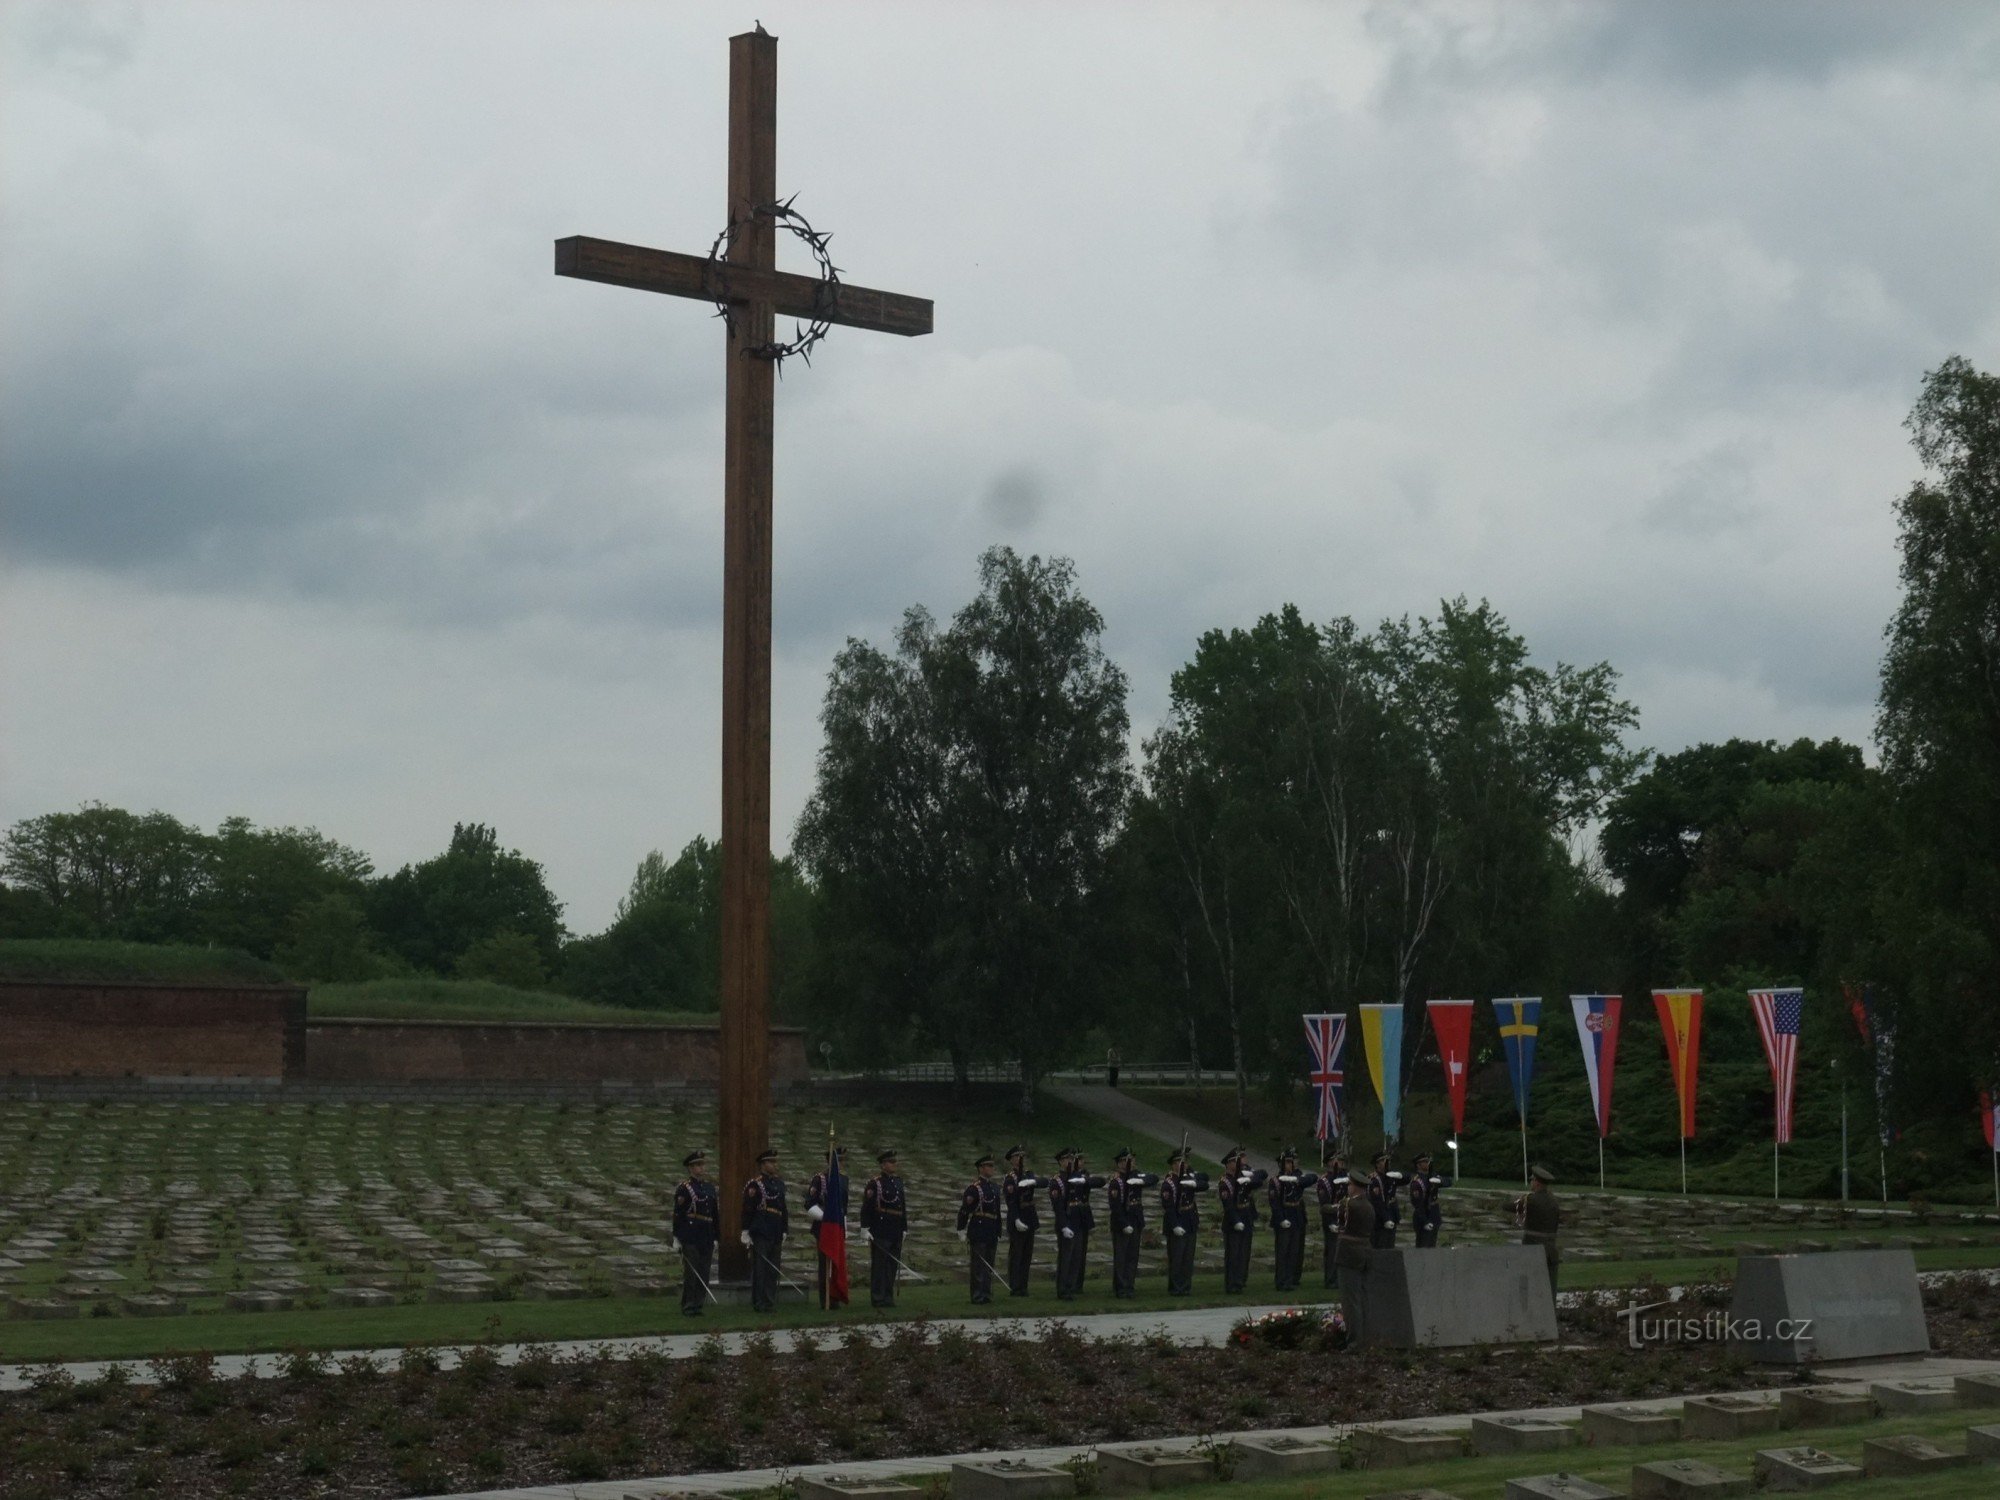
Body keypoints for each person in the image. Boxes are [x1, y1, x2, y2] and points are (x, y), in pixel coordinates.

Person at [1050, 1146, 1103, 1299]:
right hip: (1067, 1220)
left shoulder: (1078, 1177)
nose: (1070, 1162)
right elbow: (1058, 1206)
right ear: (1060, 1162)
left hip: (1079, 1221)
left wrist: (1084, 1180)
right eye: (1067, 1159)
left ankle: (1071, 1287)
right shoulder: (1058, 1181)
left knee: (1076, 1256)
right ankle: (1062, 1289)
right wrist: (1064, 1225)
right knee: (1066, 1257)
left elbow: (1100, 1181)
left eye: (1071, 1159)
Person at [670, 1148, 718, 1316]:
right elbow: (678, 1214)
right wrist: (677, 1237)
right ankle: (688, 1304)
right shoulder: (685, 1188)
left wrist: (716, 1236)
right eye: (697, 1165)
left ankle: (698, 1304)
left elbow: (714, 1214)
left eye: (702, 1164)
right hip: (690, 1234)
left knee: (704, 1271)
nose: (701, 1168)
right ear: (690, 1168)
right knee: (692, 1272)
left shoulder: (709, 1188)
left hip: (706, 1234)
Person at [741, 1147, 788, 1313]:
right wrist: (745, 1230)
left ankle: (769, 1301)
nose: (775, 1165)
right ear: (763, 1164)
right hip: (761, 1229)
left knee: (773, 1269)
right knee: (760, 1268)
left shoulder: (779, 1184)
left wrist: (784, 1229)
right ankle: (759, 1302)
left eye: (775, 1161)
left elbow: (783, 1208)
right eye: (771, 1162)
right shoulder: (755, 1184)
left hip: (775, 1229)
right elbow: (748, 1208)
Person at [1105, 1146, 1156, 1298]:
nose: (1131, 1163)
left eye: (1132, 1160)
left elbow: (1153, 1178)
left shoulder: (1135, 1175)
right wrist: (1123, 1223)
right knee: (1121, 1256)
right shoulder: (1117, 1181)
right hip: (1122, 1222)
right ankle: (1120, 1287)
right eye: (1127, 1161)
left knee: (1133, 1256)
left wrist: (1140, 1180)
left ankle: (1129, 1285)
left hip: (1136, 1220)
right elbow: (1115, 1205)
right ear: (1120, 1163)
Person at [859, 1148, 907, 1308]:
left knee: (892, 1265)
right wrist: (865, 1227)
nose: (894, 1164)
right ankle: (878, 1297)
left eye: (895, 1162)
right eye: (891, 1162)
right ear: (883, 1165)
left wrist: (904, 1227)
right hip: (881, 1228)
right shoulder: (875, 1183)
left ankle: (888, 1296)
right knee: (880, 1265)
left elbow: (902, 1207)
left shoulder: (898, 1182)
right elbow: (867, 1207)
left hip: (895, 1228)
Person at [803, 1145, 850, 1309]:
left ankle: (835, 1296)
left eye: (843, 1160)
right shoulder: (820, 1179)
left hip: (837, 1227)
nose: (841, 1163)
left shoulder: (843, 1179)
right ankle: (826, 1300)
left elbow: (844, 1206)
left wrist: (844, 1225)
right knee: (825, 1265)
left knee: (837, 1263)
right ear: (830, 1161)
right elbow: (809, 1203)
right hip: (824, 1227)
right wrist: (826, 1218)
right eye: (838, 1160)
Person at [1216, 1146, 1266, 1293]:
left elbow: (1261, 1178)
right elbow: (1228, 1204)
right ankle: (1231, 1284)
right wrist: (1236, 1220)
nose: (1238, 1164)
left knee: (1244, 1254)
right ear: (1228, 1164)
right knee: (1233, 1255)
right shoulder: (1225, 1182)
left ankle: (1240, 1282)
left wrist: (1248, 1177)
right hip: (1233, 1222)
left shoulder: (1242, 1177)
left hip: (1246, 1218)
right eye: (1235, 1161)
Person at [957, 1155, 1004, 1304]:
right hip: (979, 1228)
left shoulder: (994, 1187)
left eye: (992, 1166)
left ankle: (986, 1294)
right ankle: (977, 1295)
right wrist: (961, 1229)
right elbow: (965, 1210)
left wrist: (998, 1230)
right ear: (981, 1169)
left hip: (991, 1229)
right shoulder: (974, 1189)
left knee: (989, 1264)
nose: (992, 1169)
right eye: (988, 1166)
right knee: (979, 1265)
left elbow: (996, 1212)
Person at [1158, 1148, 1206, 1295]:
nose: (1182, 1165)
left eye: (1184, 1162)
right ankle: (1175, 1288)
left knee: (1188, 1258)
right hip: (1177, 1221)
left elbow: (1205, 1183)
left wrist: (1194, 1183)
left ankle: (1185, 1287)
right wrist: (1175, 1225)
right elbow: (1169, 1207)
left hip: (1190, 1220)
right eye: (1179, 1162)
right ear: (1173, 1164)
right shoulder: (1169, 1183)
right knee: (1177, 1258)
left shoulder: (1188, 1178)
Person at [1337, 1171, 1376, 1346]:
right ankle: (1364, 1337)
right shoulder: (1368, 1205)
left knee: (1350, 1301)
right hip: (1363, 1252)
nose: (1347, 1188)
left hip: (1349, 1255)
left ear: (1355, 1187)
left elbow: (1331, 1211)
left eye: (1349, 1185)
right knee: (1362, 1298)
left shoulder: (1350, 1205)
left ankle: (1354, 1341)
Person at [1267, 1146, 1312, 1292]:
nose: (1290, 1165)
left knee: (1294, 1251)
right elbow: (1274, 1203)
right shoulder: (1276, 1181)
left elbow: (1312, 1178)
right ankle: (1281, 1280)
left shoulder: (1296, 1179)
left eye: (1291, 1162)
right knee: (1283, 1251)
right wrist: (1281, 1219)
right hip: (1284, 1216)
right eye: (1287, 1162)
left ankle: (1289, 1279)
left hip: (1296, 1217)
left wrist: (1298, 1179)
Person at [1001, 1145, 1040, 1296]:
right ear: (1012, 1160)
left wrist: (1032, 1181)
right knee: (1016, 1255)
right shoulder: (1010, 1179)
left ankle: (1024, 1286)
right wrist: (1016, 1218)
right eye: (1017, 1156)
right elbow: (1011, 1201)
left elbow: (1042, 1183)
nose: (1020, 1159)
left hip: (1029, 1216)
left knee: (1027, 1255)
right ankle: (1015, 1286)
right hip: (1018, 1217)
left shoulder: (1028, 1174)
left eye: (1021, 1156)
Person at [1519, 1165, 1561, 1302]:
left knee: (1530, 1288)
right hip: (1550, 1250)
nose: (1531, 1183)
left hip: (1533, 1248)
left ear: (1537, 1182)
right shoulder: (1554, 1200)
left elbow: (1508, 1206)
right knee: (1549, 1288)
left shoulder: (1531, 1200)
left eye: (1532, 1180)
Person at [1316, 1142, 1347, 1289]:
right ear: (1330, 1162)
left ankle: (1340, 1279)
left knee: (1342, 1252)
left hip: (1344, 1219)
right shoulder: (1324, 1181)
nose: (1339, 1163)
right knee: (1332, 1251)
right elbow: (1325, 1205)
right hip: (1331, 1220)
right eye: (1336, 1160)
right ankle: (1330, 1280)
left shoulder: (1344, 1179)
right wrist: (1330, 1223)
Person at [1407, 1150, 1445, 1248]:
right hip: (1424, 1215)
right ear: (1418, 1165)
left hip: (1434, 1214)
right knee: (1423, 1246)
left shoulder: (1432, 1176)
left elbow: (1448, 1182)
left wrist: (1440, 1181)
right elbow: (1417, 1204)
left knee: (1432, 1245)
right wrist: (1425, 1221)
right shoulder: (1417, 1182)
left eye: (1427, 1161)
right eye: (1425, 1162)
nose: (1427, 1164)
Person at [1368, 1151, 1403, 1249]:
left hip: (1392, 1213)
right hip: (1380, 1218)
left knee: (1390, 1246)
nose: (1387, 1163)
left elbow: (1406, 1179)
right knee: (1380, 1246)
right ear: (1377, 1164)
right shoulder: (1374, 1179)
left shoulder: (1391, 1176)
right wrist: (1385, 1218)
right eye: (1383, 1161)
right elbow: (1376, 1202)